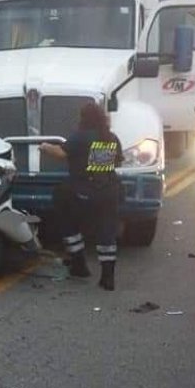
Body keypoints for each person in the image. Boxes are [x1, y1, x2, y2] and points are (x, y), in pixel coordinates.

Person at [41, 100, 123, 291]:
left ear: (84, 118)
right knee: (107, 232)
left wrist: (45, 146)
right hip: (109, 192)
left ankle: (78, 263)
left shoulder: (81, 136)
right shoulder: (110, 137)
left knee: (64, 214)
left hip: (83, 192)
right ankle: (107, 277)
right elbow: (116, 163)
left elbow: (61, 153)